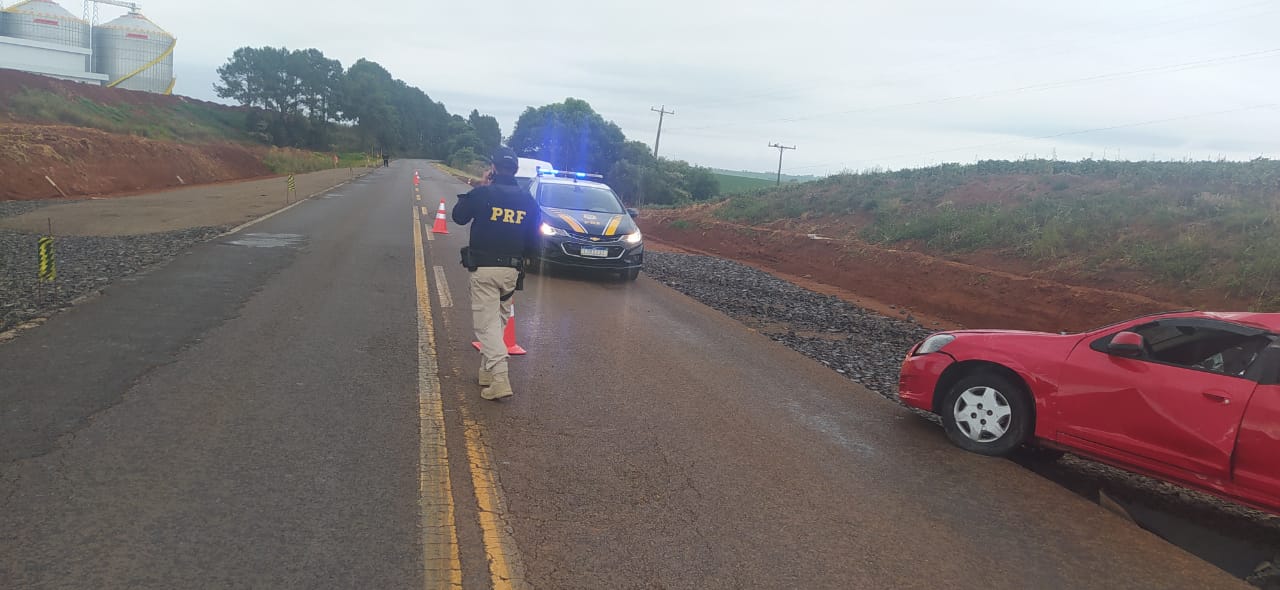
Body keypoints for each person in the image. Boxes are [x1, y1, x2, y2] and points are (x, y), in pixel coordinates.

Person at [452, 147, 540, 400]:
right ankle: (486, 373)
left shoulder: (484, 193)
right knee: (498, 321)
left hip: (485, 269)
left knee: (486, 325)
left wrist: (479, 186)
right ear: (515, 170)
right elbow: (535, 239)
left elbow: (458, 217)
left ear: (493, 168)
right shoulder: (527, 200)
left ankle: (500, 377)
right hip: (511, 271)